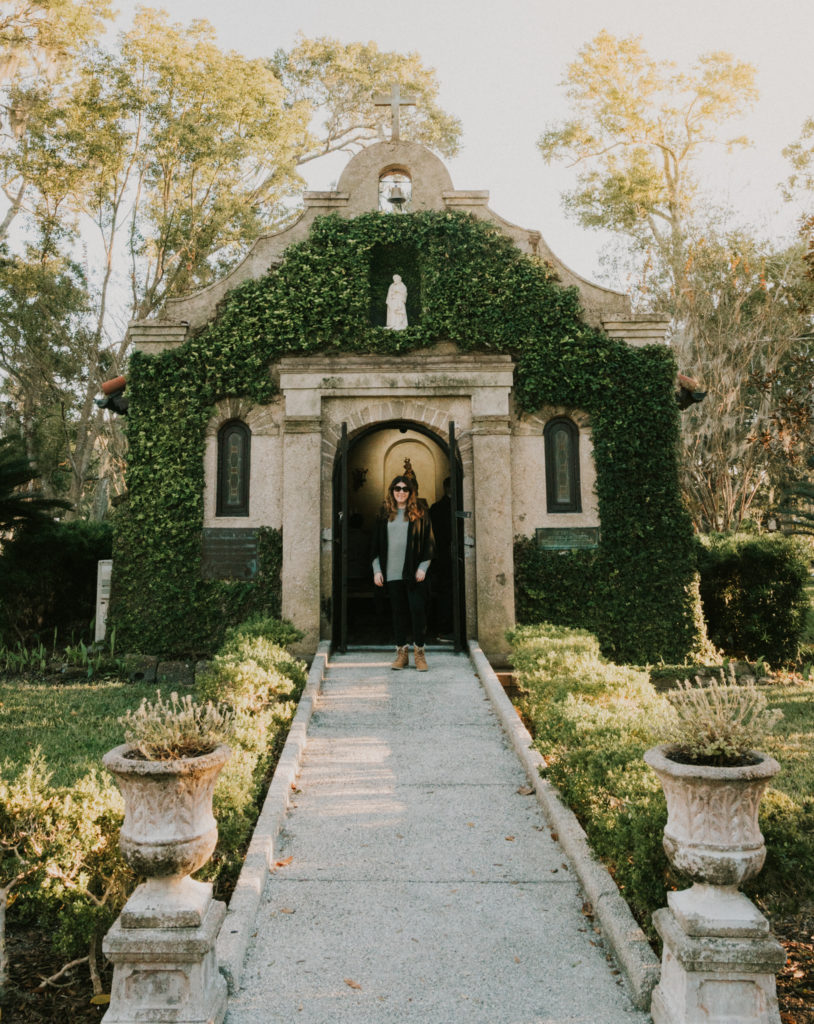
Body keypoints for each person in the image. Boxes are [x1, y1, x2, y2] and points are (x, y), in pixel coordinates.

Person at [371, 474, 434, 671]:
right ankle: (401, 654)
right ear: (392, 491)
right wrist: (377, 571)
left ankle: (420, 654)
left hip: (414, 574)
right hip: (391, 574)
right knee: (398, 614)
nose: (400, 492)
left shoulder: (420, 514)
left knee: (417, 612)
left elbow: (429, 544)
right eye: (397, 489)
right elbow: (374, 547)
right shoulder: (384, 515)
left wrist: (422, 568)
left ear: (410, 492)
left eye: (404, 489)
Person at [429, 477, 454, 639]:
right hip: (446, 556)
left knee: (445, 591)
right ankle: (445, 628)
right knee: (447, 592)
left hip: (441, 555)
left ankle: (444, 627)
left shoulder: (435, 508)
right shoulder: (442, 508)